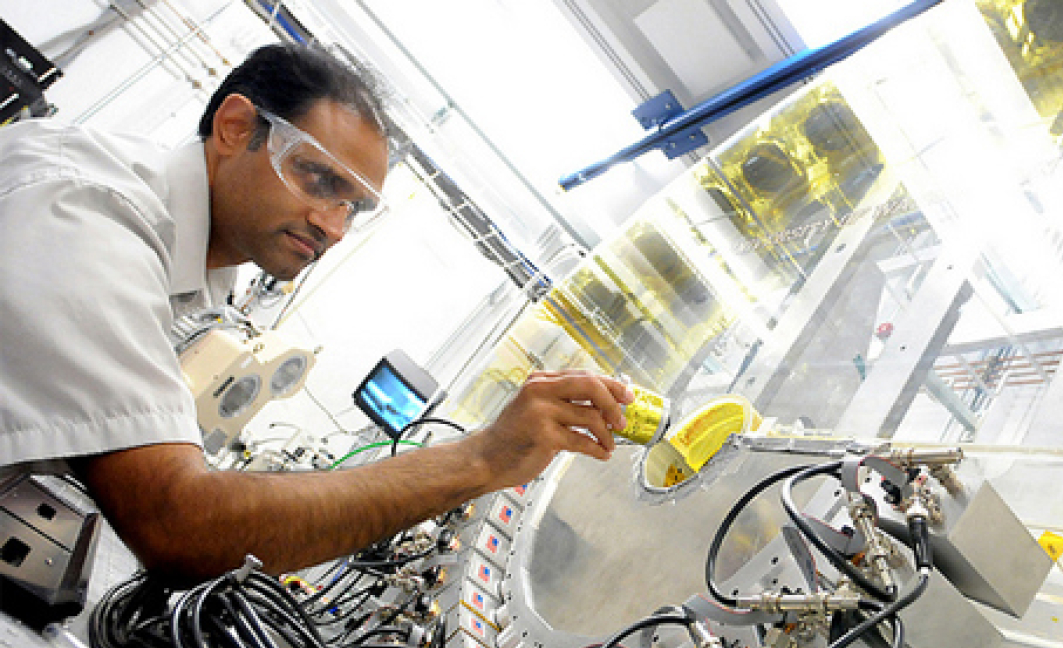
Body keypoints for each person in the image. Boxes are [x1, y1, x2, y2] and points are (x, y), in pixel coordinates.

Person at [0, 43, 633, 584]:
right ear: (235, 127)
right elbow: (179, 523)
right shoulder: (89, 211)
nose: (331, 225)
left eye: (353, 206)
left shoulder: (185, 267)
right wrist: (483, 459)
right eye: (319, 179)